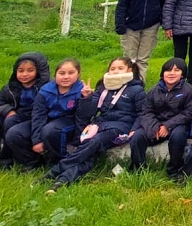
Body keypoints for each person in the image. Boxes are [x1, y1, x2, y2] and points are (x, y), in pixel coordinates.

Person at [41, 57, 145, 193]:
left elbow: (142, 113)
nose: (115, 72)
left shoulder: (136, 90)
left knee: (94, 142)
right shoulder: (103, 87)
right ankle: (62, 181)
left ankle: (55, 171)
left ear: (130, 70)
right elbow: (88, 113)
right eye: (112, 69)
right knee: (90, 152)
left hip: (119, 127)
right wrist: (87, 98)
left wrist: (134, 130)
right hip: (100, 125)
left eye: (120, 68)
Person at [7, 58, 83, 169]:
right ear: (55, 74)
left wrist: (87, 98)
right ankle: (32, 162)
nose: (66, 77)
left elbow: (84, 117)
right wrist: (37, 140)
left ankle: (59, 162)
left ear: (78, 74)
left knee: (50, 130)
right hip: (48, 119)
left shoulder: (81, 91)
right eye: (61, 73)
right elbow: (38, 114)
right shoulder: (45, 90)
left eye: (71, 73)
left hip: (69, 121)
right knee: (14, 133)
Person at [129, 58, 192, 179]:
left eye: (176, 70)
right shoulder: (154, 90)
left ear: (182, 74)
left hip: (178, 125)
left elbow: (188, 113)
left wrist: (167, 126)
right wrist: (154, 127)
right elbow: (146, 111)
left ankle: (175, 170)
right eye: (168, 70)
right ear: (162, 73)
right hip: (156, 123)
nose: (171, 73)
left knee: (178, 136)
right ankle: (138, 169)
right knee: (137, 136)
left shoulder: (189, 90)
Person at [0, 52, 50, 170]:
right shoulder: (9, 88)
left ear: (38, 71)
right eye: (21, 71)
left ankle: (7, 159)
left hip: (31, 118)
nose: (25, 74)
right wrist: (8, 110)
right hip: (14, 114)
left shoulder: (46, 87)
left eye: (30, 70)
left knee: (10, 123)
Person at [115, 0, 169, 80]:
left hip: (151, 26)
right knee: (129, 59)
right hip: (131, 26)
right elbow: (122, 4)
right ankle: (126, 86)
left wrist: (162, 21)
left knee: (143, 59)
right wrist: (120, 23)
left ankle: (139, 87)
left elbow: (165, 5)